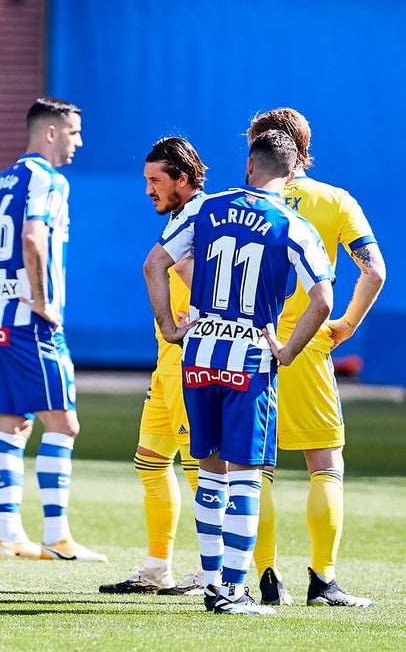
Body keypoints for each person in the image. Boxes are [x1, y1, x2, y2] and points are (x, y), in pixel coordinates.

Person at [144, 129, 334, 615]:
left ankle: (210, 582)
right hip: (249, 354)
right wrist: (289, 349)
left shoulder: (206, 208)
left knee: (207, 468)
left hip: (199, 350)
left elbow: (155, 264)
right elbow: (324, 299)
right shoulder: (292, 224)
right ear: (291, 175)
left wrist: (169, 326)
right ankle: (231, 591)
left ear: (249, 166)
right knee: (247, 474)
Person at [246, 108, 385, 608]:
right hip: (305, 344)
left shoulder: (239, 204)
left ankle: (263, 578)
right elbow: (375, 271)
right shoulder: (334, 200)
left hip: (246, 343)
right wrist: (344, 326)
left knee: (253, 466)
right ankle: (323, 581)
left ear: (257, 151)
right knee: (324, 463)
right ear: (304, 148)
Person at [0, 96, 106, 562]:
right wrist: (45, 303)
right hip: (32, 323)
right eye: (73, 132)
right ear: (51, 132)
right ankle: (57, 535)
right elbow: (32, 236)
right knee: (63, 423)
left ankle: (10, 536)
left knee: (14, 424)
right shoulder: (49, 179)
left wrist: (0, 292)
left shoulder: (7, 179)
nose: (78, 142)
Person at [101, 137, 206, 595]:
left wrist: (193, 312)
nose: (148, 190)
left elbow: (209, 278)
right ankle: (157, 566)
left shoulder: (205, 216)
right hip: (167, 365)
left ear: (182, 178)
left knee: (202, 467)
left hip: (191, 361)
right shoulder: (183, 217)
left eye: (155, 181)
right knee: (151, 462)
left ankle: (213, 568)